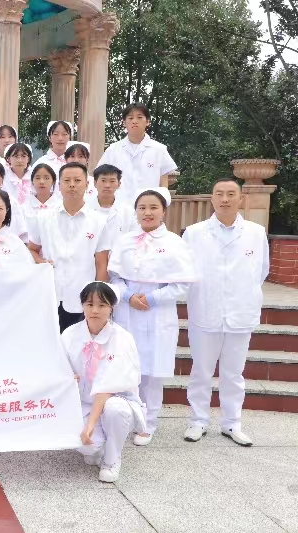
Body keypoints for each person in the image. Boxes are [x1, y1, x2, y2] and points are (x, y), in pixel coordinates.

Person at [183, 178, 269, 447]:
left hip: (240, 312)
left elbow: (261, 271)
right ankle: (198, 420)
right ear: (212, 198)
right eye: (219, 194)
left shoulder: (256, 233)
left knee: (233, 373)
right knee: (201, 371)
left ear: (240, 199)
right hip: (204, 310)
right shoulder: (194, 233)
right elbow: (185, 271)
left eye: (231, 194)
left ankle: (232, 423)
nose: (225, 199)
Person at [108, 188, 196, 446]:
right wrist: (128, 296)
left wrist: (153, 298)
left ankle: (148, 422)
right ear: (135, 212)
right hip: (127, 309)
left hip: (158, 311)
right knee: (126, 365)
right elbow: (114, 277)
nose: (147, 212)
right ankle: (124, 418)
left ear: (163, 211)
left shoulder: (175, 243)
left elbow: (183, 283)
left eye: (153, 207)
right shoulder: (124, 241)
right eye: (142, 207)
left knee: (153, 370)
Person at [61, 281, 145, 483]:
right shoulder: (69, 335)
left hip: (114, 400)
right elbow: (59, 369)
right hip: (81, 402)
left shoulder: (122, 338)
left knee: (116, 409)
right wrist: (67, 377)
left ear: (112, 307)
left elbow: (107, 387)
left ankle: (112, 459)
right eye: (89, 304)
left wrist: (90, 424)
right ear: (82, 305)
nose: (95, 310)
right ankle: (99, 449)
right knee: (87, 447)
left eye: (102, 305)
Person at [28, 162, 111, 332]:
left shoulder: (99, 221)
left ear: (87, 184)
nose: (72, 185)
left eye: (77, 180)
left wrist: (98, 299)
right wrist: (41, 262)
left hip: (82, 297)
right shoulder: (43, 217)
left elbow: (101, 264)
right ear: (59, 185)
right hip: (50, 295)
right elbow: (31, 249)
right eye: (67, 181)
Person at [97, 103, 178, 206]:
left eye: (139, 117)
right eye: (130, 118)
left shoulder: (159, 150)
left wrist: (161, 206)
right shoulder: (112, 150)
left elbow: (164, 186)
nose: (134, 121)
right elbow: (100, 177)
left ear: (147, 121)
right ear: (124, 123)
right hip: (118, 208)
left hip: (148, 209)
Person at [85, 164, 136, 248]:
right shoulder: (85, 209)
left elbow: (134, 239)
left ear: (119, 184)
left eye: (112, 181)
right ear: (95, 183)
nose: (107, 185)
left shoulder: (128, 211)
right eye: (103, 180)